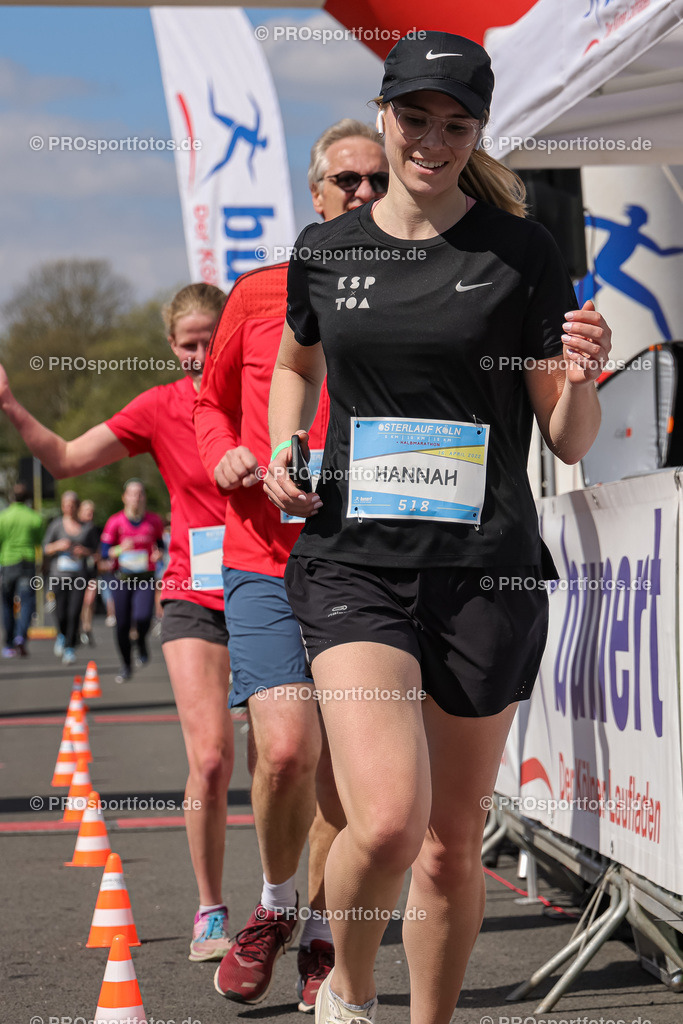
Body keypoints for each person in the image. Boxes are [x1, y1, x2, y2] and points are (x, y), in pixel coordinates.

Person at [264, 32, 612, 1024]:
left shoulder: (519, 252)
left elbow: (568, 435)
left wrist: (580, 373)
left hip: (484, 574)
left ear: (476, 132)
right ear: (383, 114)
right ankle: (350, 989)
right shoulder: (325, 251)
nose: (431, 139)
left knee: (452, 842)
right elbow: (296, 365)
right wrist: (288, 442)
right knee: (384, 817)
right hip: (353, 565)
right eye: (414, 118)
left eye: (454, 124)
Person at [195, 118, 389, 1012]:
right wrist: (230, 450)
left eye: (374, 181)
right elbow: (208, 405)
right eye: (345, 181)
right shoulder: (261, 290)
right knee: (284, 750)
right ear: (315, 196)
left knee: (347, 776)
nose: (361, 194)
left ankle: (320, 932)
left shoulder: (414, 287)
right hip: (264, 555)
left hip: (368, 563)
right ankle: (270, 909)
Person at [0, 283, 235, 963]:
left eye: (211, 340)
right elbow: (69, 459)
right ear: (171, 346)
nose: (199, 354)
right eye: (187, 344)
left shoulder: (272, 394)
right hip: (195, 593)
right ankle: (211, 909)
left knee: (290, 760)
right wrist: (14, 409)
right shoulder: (160, 408)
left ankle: (300, 915)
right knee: (213, 759)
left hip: (279, 592)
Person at [99, 478, 165, 681]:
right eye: (132, 493)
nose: (137, 497)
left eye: (140, 493)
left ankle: (142, 643)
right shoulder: (115, 522)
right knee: (122, 625)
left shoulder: (153, 521)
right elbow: (103, 554)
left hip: (145, 577)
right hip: (121, 579)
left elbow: (161, 545)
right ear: (124, 497)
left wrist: (159, 554)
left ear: (144, 498)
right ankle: (126, 664)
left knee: (144, 617)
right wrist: (119, 549)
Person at [43, 489, 99, 664]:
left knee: (74, 612)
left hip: (79, 577)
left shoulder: (87, 528)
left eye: (72, 505)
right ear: (62, 506)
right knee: (60, 612)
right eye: (65, 505)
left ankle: (69, 647)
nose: (69, 508)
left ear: (77, 506)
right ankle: (62, 634)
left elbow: (96, 552)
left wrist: (83, 551)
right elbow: (46, 548)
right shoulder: (56, 525)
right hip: (59, 576)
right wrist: (58, 546)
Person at [0, 482, 44, 658]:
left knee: (7, 604)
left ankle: (9, 643)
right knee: (26, 602)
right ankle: (21, 636)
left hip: (8, 563)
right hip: (27, 563)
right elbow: (39, 542)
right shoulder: (35, 517)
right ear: (28, 498)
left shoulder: (4, 517)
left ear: (12, 497)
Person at [77, 498, 100, 646]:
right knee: (79, 602)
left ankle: (87, 628)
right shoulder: (75, 529)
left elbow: (99, 551)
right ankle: (79, 628)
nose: (89, 516)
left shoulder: (95, 530)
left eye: (92, 513)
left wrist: (93, 555)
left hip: (91, 571)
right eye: (87, 512)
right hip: (77, 572)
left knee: (89, 600)